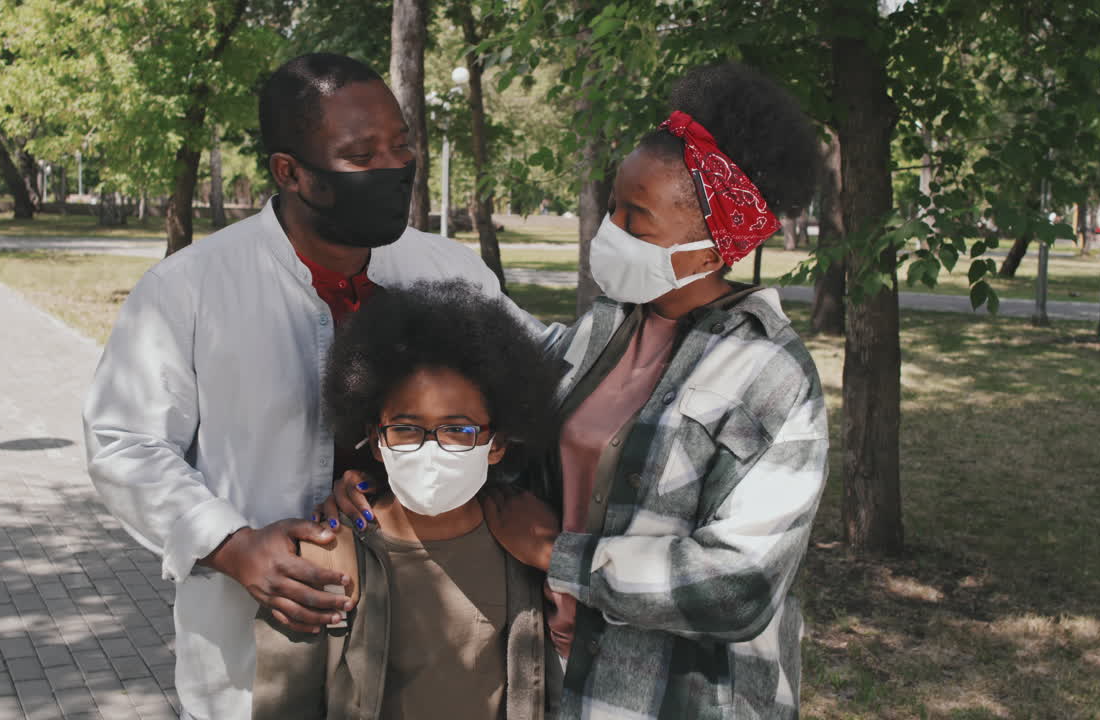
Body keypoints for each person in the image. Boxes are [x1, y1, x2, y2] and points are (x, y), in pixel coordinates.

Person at [334, 62, 828, 719]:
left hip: (680, 696)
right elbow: (493, 416)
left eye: (637, 218)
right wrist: (385, 475)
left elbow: (741, 587)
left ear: (710, 252)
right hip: (566, 679)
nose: (611, 228)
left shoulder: (772, 377)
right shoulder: (606, 328)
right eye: (614, 204)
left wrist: (558, 555)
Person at [81, 53, 521, 719]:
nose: (394, 166)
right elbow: (124, 445)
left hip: (436, 646)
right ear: (290, 172)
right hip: (256, 658)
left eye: (401, 144)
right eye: (361, 152)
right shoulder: (188, 291)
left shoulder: (449, 269)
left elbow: (535, 389)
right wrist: (231, 546)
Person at [253, 279, 562, 720]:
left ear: (497, 443)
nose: (430, 449)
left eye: (458, 430)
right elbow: (284, 702)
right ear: (375, 440)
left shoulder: (522, 545)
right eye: (406, 429)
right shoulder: (328, 558)